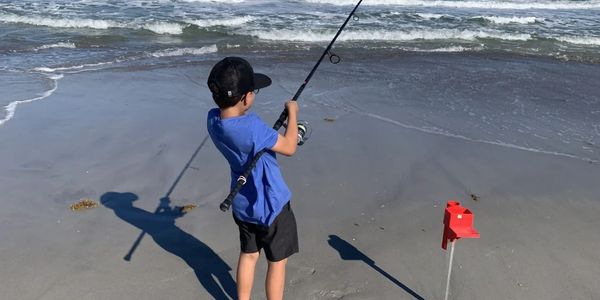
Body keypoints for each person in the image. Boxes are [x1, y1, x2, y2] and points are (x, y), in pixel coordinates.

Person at [206, 57, 300, 300]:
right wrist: (292, 114)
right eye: (253, 91)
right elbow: (289, 146)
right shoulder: (253, 126)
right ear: (246, 98)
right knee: (277, 261)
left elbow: (243, 132)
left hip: (243, 205)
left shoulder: (213, 121)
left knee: (248, 254)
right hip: (271, 204)